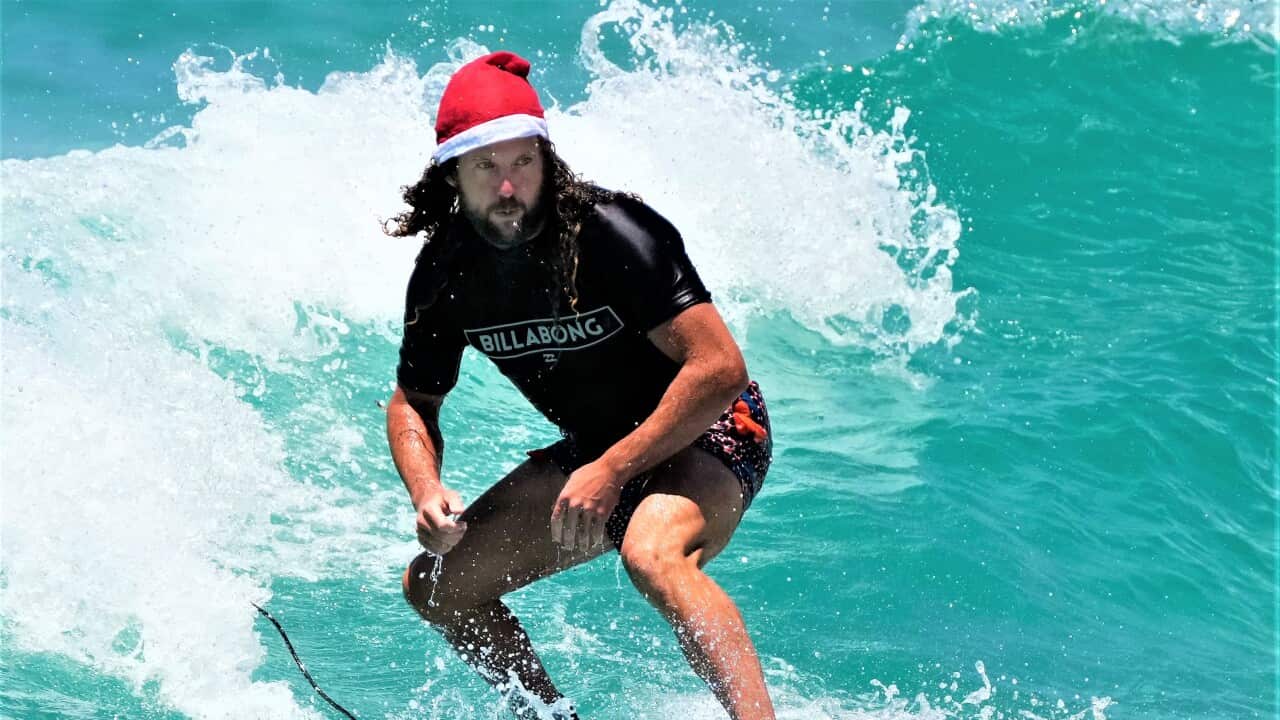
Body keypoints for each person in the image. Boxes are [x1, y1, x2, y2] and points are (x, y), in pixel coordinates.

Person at [385, 51, 776, 720]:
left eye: (521, 164)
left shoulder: (611, 234)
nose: (507, 189)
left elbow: (719, 368)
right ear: (453, 173)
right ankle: (550, 718)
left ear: (545, 160)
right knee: (437, 586)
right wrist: (426, 490)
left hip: (708, 428)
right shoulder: (445, 273)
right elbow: (413, 404)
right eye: (486, 168)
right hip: (598, 450)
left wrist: (616, 468)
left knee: (651, 553)